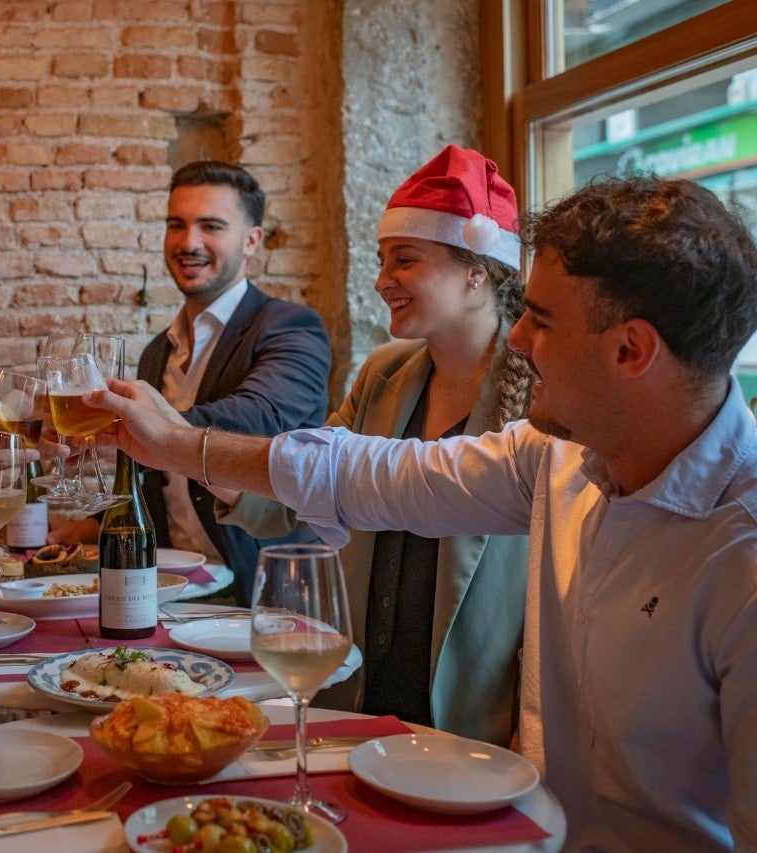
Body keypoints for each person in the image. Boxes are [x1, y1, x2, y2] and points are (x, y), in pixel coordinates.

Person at [92, 176, 757, 849]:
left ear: (631, 350)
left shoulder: (742, 553)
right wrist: (177, 443)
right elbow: (368, 472)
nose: (519, 337)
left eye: (543, 319)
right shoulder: (555, 457)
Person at [214, 146, 532, 745]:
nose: (383, 281)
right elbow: (298, 492)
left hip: (474, 722)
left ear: (477, 270)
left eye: (404, 260)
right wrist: (205, 461)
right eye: (382, 260)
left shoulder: (545, 395)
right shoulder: (384, 372)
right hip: (360, 697)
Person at [49, 160, 332, 602]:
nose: (188, 242)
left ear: (252, 240)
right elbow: (160, 491)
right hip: (176, 592)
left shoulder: (291, 327)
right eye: (176, 225)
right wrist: (83, 528)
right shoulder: (155, 353)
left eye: (211, 226)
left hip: (266, 592)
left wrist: (147, 426)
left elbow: (258, 420)